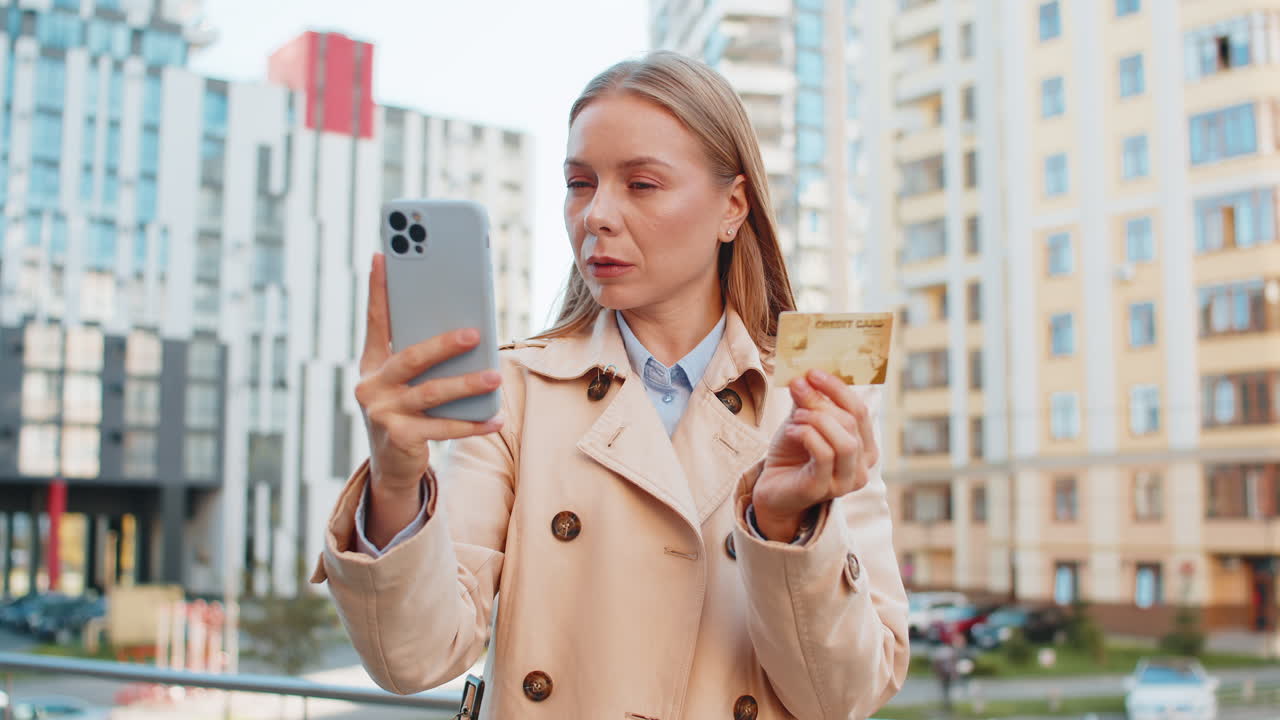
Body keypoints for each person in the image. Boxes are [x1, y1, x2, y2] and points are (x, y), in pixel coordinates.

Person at [310, 51, 909, 719]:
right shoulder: (511, 392)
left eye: (643, 184)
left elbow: (845, 698)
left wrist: (785, 528)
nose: (596, 215)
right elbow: (414, 658)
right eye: (580, 182)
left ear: (732, 207)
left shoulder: (811, 403)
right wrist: (395, 482)